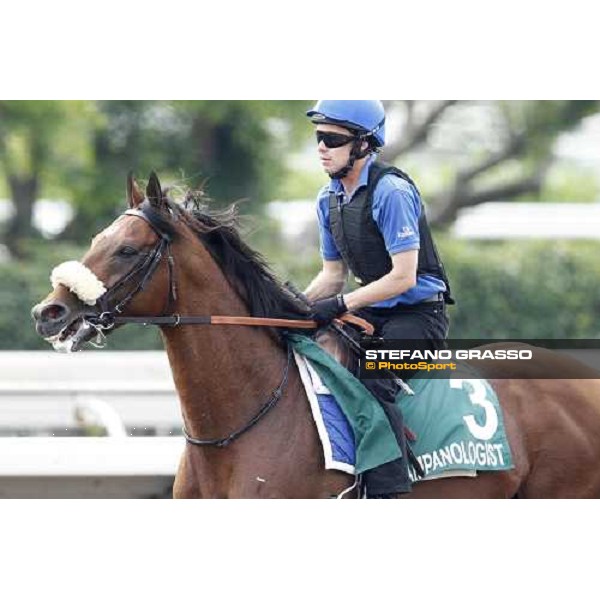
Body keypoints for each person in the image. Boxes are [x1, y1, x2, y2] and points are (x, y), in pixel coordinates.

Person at [303, 100, 454, 497]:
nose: (322, 147)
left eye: (332, 139)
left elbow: (403, 278)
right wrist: (296, 309)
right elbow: (331, 276)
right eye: (319, 137)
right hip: (371, 311)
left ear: (364, 144)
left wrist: (340, 305)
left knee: (373, 374)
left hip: (419, 316)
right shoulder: (327, 199)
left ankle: (388, 491)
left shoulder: (392, 191)